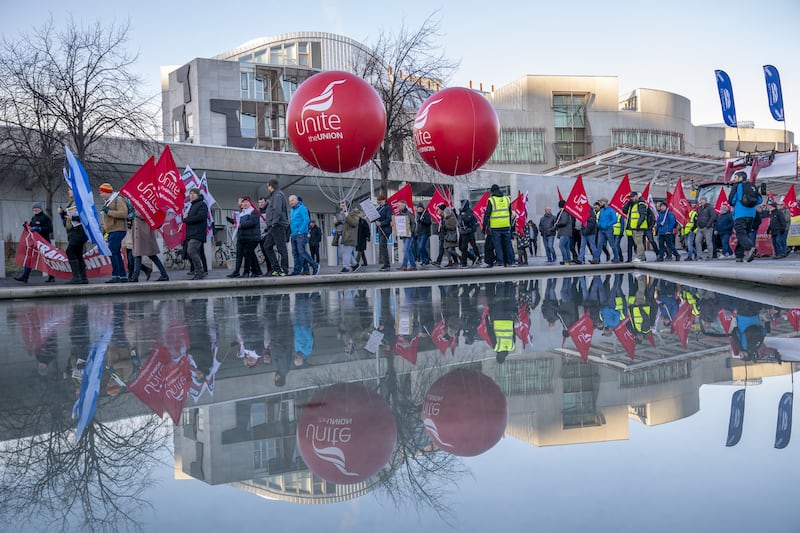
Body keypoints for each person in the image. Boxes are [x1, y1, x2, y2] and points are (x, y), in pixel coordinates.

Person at [15, 202, 55, 283]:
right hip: (34, 243)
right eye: (34, 208)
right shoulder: (33, 218)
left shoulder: (45, 218)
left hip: (44, 243)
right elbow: (31, 229)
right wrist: (26, 226)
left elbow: (50, 229)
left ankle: (52, 276)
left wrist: (39, 228)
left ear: (40, 209)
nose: (35, 210)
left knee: (47, 260)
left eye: (36, 208)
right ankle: (24, 277)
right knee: (30, 258)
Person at [728, 171, 762, 263]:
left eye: (735, 177)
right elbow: (759, 200)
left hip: (740, 214)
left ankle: (750, 248)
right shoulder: (752, 186)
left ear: (740, 178)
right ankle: (739, 256)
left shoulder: (737, 186)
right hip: (751, 215)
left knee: (740, 234)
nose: (734, 179)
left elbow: (731, 201)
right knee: (744, 235)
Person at [98, 182, 129, 283]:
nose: (100, 194)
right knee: (115, 252)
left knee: (112, 251)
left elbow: (124, 213)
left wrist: (109, 212)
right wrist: (103, 230)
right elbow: (107, 220)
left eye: (102, 192)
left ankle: (116, 275)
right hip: (112, 230)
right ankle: (122, 276)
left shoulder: (118, 199)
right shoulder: (108, 201)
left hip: (118, 230)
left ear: (107, 192)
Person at [58, 188, 89, 284]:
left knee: (70, 251)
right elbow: (67, 221)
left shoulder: (80, 202)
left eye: (70, 190)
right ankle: (83, 277)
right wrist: (62, 214)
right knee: (78, 254)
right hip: (72, 232)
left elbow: (86, 217)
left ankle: (76, 277)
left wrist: (74, 217)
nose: (68, 192)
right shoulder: (71, 203)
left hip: (79, 232)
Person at [129, 210, 170, 282]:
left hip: (144, 234)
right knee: (141, 255)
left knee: (145, 255)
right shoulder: (137, 206)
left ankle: (135, 277)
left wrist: (135, 213)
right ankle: (164, 275)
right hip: (139, 234)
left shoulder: (144, 206)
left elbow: (145, 215)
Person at [482, 183, 515, 267]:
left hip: (496, 227)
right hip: (506, 225)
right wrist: (510, 224)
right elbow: (510, 213)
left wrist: (484, 227)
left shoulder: (491, 200)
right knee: (508, 244)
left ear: (492, 191)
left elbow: (487, 215)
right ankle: (512, 262)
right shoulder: (507, 199)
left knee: (498, 246)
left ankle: (500, 262)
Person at [263, 178, 290, 276]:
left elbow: (277, 211)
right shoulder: (275, 195)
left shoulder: (277, 195)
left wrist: (273, 222)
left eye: (268, 186)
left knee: (281, 248)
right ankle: (277, 268)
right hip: (273, 226)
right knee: (267, 246)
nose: (268, 188)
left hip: (277, 226)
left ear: (271, 186)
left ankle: (284, 270)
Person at [288, 194, 320, 276]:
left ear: (296, 200)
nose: (290, 202)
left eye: (292, 200)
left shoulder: (302, 208)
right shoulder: (292, 210)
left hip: (301, 234)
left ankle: (315, 265)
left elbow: (306, 220)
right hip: (294, 234)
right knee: (295, 253)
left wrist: (300, 231)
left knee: (302, 252)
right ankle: (297, 270)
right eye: (289, 201)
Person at [623, 191, 658, 262]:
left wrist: (638, 224)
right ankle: (642, 257)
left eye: (632, 197)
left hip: (639, 227)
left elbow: (643, 215)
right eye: (630, 197)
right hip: (633, 227)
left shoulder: (641, 204)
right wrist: (628, 203)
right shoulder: (632, 204)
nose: (631, 198)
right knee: (637, 243)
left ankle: (640, 257)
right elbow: (624, 211)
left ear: (636, 196)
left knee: (639, 242)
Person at [184, 187, 209, 280]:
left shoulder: (202, 205)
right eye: (190, 193)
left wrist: (187, 219)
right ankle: (198, 272)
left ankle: (200, 272)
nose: (191, 195)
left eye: (193, 193)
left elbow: (200, 217)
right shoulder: (192, 206)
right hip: (191, 233)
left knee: (191, 251)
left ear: (198, 195)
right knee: (191, 252)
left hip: (197, 233)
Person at [237, 197, 264, 277]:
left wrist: (241, 225)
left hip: (253, 237)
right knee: (250, 254)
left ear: (250, 203)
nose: (245, 204)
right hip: (246, 238)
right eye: (243, 202)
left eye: (246, 202)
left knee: (247, 253)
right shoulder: (242, 213)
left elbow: (252, 222)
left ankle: (246, 272)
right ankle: (257, 271)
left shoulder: (254, 211)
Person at [394, 200, 417, 270]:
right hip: (404, 235)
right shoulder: (399, 214)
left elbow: (413, 223)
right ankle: (413, 265)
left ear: (403, 206)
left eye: (399, 205)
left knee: (405, 250)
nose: (398, 207)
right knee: (408, 250)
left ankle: (404, 265)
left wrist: (411, 231)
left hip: (409, 235)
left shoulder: (408, 213)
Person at [594, 198, 619, 263]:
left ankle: (616, 258)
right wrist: (599, 224)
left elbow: (615, 220)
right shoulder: (602, 211)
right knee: (599, 245)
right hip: (601, 230)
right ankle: (596, 259)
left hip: (608, 230)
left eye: (600, 202)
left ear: (604, 202)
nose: (599, 204)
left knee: (612, 244)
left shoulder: (611, 210)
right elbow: (599, 219)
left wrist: (608, 225)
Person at [458, 199, 481, 267]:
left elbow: (467, 219)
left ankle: (465, 262)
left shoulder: (469, 211)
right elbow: (459, 221)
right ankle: (473, 258)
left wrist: (462, 216)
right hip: (463, 232)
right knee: (461, 247)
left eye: (462, 203)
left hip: (468, 232)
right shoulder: (461, 212)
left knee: (466, 246)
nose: (461, 205)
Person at [339, 203, 360, 272]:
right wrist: (344, 213)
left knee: (346, 252)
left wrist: (347, 216)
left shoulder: (354, 215)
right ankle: (355, 264)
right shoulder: (347, 214)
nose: (342, 206)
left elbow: (354, 223)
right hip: (346, 236)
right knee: (346, 252)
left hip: (350, 237)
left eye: (343, 205)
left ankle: (346, 267)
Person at [554, 200, 575, 265]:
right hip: (566, 232)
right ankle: (567, 260)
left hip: (565, 232)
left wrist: (557, 224)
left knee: (561, 246)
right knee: (566, 247)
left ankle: (565, 260)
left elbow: (564, 222)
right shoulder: (565, 212)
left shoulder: (564, 213)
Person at [376, 194, 393, 271]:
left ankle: (387, 264)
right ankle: (385, 263)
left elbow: (389, 219)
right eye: (378, 201)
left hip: (385, 230)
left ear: (383, 200)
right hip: (380, 229)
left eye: (380, 201)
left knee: (383, 246)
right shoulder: (379, 208)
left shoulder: (387, 208)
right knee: (381, 247)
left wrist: (381, 223)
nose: (378, 202)